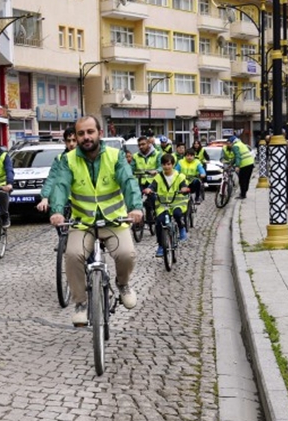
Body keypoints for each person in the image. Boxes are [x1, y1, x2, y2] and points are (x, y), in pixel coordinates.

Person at [49, 115, 144, 326]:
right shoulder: (69, 159)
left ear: (100, 133)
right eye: (80, 133)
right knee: (73, 255)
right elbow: (61, 186)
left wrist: (135, 207)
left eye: (90, 132)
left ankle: (123, 284)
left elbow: (128, 181)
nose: (86, 137)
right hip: (83, 223)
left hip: (114, 221)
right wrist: (57, 211)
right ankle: (81, 303)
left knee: (126, 254)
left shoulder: (115, 156)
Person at [144, 154, 190, 257]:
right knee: (160, 222)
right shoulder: (158, 177)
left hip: (177, 202)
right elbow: (152, 186)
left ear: (173, 164)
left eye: (169, 164)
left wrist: (184, 189)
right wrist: (149, 189)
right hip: (162, 204)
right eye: (164, 164)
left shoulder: (179, 176)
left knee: (177, 214)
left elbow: (184, 186)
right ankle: (161, 246)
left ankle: (181, 228)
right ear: (161, 165)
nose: (166, 167)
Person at [37, 126, 77, 213]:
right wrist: (45, 197)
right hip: (66, 200)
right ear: (65, 142)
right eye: (68, 140)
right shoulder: (59, 159)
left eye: (74, 140)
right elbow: (52, 178)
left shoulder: (85, 158)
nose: (71, 144)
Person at [222, 135, 255, 199]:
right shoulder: (240, 143)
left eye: (228, 143)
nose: (228, 145)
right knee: (246, 179)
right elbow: (236, 157)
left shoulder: (235, 146)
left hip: (244, 164)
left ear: (232, 142)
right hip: (250, 163)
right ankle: (244, 192)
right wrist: (231, 164)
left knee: (242, 180)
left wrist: (237, 166)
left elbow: (238, 156)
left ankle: (243, 195)